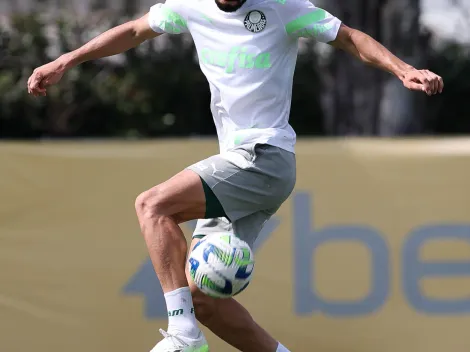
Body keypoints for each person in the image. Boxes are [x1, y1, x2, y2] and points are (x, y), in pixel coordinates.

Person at [27, 0, 444, 350]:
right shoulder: (189, 6)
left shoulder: (284, 7)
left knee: (152, 205)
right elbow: (136, 31)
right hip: (246, 163)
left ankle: (182, 333)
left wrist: (401, 68)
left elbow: (349, 36)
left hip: (265, 155)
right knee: (202, 299)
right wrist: (68, 58)